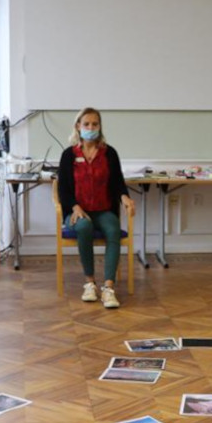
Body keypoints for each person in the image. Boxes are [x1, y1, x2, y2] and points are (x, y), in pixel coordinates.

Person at [57, 108, 135, 309]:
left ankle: (108, 288)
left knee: (113, 229)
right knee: (84, 227)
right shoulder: (68, 155)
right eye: (87, 124)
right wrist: (74, 207)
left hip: (102, 210)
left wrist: (125, 197)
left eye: (95, 124)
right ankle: (90, 283)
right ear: (78, 126)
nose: (91, 128)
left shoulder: (109, 153)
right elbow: (63, 189)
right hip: (77, 211)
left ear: (100, 127)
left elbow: (118, 182)